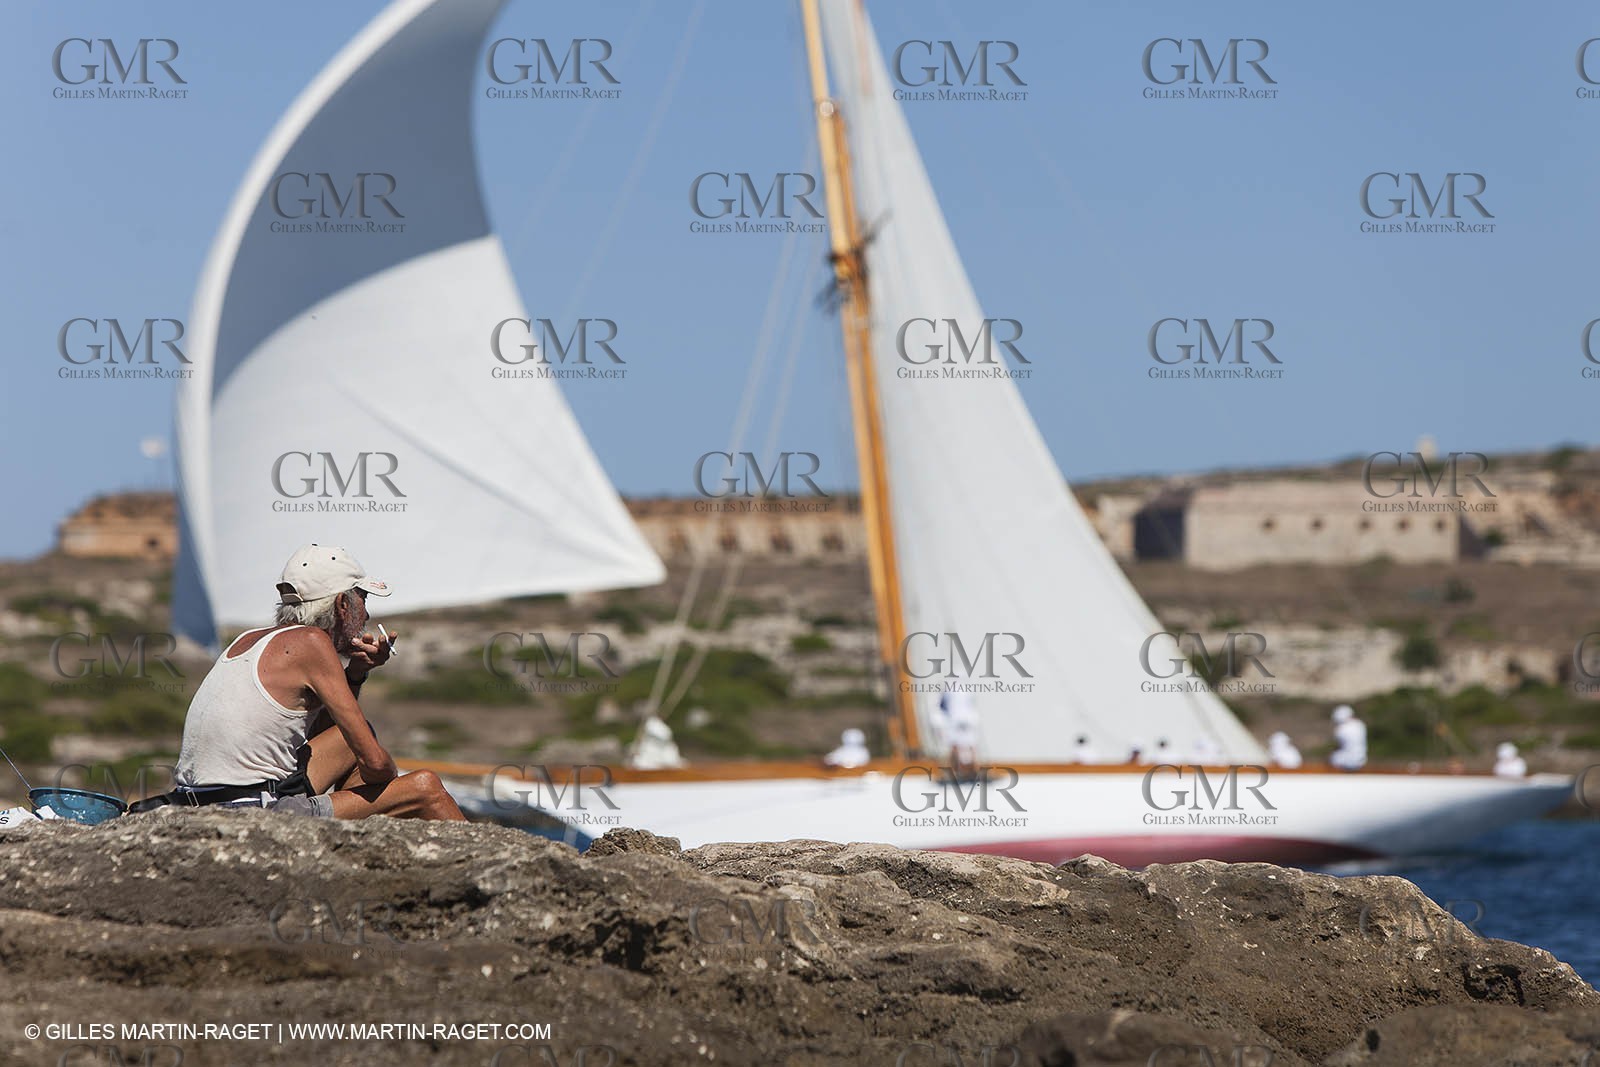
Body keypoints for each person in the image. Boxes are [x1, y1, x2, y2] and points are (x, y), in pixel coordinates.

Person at [131, 545, 464, 820]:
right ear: (342, 603)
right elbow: (376, 767)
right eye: (363, 599)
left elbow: (316, 736)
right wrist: (389, 783)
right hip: (250, 810)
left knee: (352, 741)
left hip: (197, 800)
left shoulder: (250, 639)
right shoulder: (311, 642)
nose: (366, 615)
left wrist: (357, 673)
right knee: (426, 787)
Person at [939, 690, 980, 778]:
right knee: (955, 745)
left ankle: (973, 770)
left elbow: (970, 704)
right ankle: (953, 771)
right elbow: (942, 706)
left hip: (966, 721)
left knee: (970, 744)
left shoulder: (966, 690)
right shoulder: (948, 691)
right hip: (953, 721)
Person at [1329, 704, 1367, 772]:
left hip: (1347, 760)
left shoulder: (1341, 729)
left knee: (1332, 757)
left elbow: (1338, 746)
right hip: (1362, 759)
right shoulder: (1360, 724)